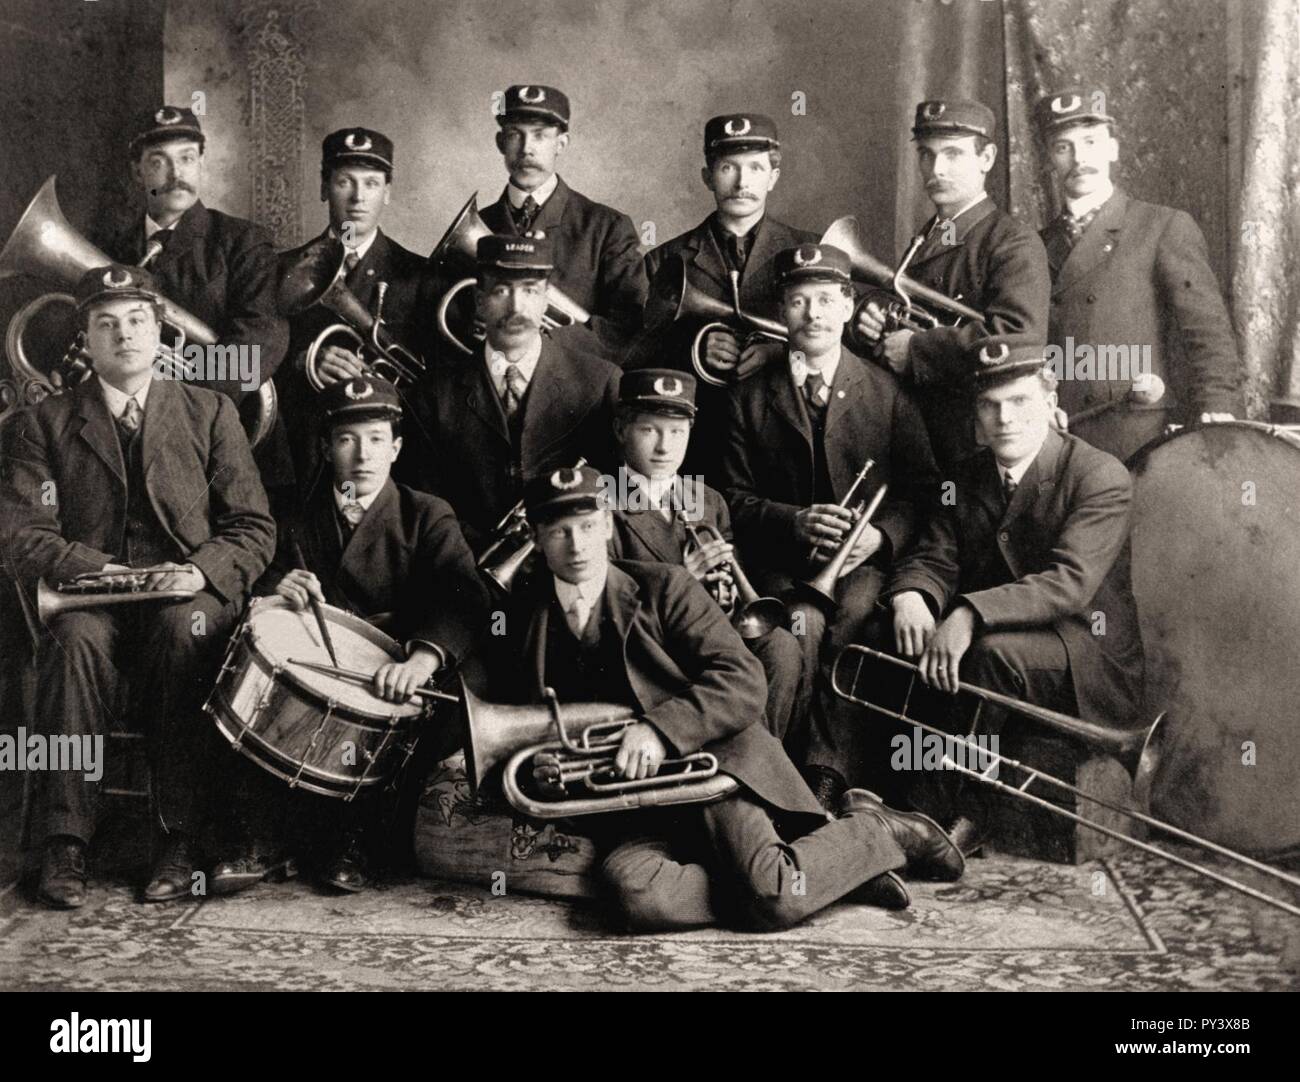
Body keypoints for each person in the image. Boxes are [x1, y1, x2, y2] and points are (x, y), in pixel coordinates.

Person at [500, 466, 964, 928]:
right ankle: (824, 869)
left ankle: (878, 830)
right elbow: (545, 725)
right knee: (637, 897)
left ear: (607, 525)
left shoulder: (664, 586)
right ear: (537, 539)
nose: (577, 545)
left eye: (586, 526)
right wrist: (549, 771)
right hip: (634, 807)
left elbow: (742, 679)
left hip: (716, 773)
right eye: (559, 531)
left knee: (775, 898)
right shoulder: (525, 615)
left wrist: (660, 731)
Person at [0, 265, 275, 907]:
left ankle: (177, 836)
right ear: (85, 342)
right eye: (106, 324)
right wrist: (95, 568)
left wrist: (200, 570)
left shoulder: (211, 411)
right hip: (89, 597)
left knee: (187, 632)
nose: (124, 335)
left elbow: (254, 526)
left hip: (183, 598)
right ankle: (65, 842)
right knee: (73, 642)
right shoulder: (42, 423)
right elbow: (20, 532)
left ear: (160, 332)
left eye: (137, 321)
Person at [209, 374, 490, 894]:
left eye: (377, 439)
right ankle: (259, 839)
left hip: (392, 671)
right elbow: (249, 572)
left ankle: (355, 838)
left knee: (445, 703)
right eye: (346, 439)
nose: (362, 454)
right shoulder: (290, 514)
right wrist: (274, 586)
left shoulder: (426, 514)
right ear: (324, 447)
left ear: (397, 447)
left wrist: (421, 660)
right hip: (316, 663)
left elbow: (464, 599)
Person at [883, 338, 1144, 852]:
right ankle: (883, 798)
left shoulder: (1098, 475)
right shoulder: (965, 476)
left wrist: (967, 613)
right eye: (990, 405)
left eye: (1020, 401)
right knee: (889, 635)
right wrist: (912, 595)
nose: (1004, 418)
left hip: (1083, 653)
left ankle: (935, 815)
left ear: (1050, 403)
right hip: (1013, 636)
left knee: (988, 657)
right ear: (977, 414)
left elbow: (1067, 584)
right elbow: (936, 553)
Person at [721, 243, 939, 807]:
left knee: (854, 623)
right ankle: (772, 773)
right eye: (798, 301)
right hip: (782, 565)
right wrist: (792, 521)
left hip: (862, 565)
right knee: (797, 629)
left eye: (825, 299)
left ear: (847, 307)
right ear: (782, 311)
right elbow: (730, 499)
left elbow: (923, 492)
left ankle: (827, 772)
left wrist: (881, 535)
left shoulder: (888, 392)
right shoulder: (747, 397)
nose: (812, 314)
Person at [1035, 87, 1243, 462]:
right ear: (1050, 158)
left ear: (1113, 148)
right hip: (1058, 430)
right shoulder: (1036, 244)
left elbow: (1206, 331)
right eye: (1064, 147)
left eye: (1091, 142)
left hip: (1134, 429)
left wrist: (1219, 405)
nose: (1080, 158)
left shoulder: (1160, 226)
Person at [103, 105, 292, 496]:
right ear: (138, 171)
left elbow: (259, 344)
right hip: (129, 453)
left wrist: (167, 395)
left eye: (187, 159)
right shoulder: (110, 248)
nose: (177, 175)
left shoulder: (242, 241)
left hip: (228, 446)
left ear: (202, 163)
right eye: (160, 162)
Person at [853, 99, 1050, 469]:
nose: (936, 169)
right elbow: (902, 305)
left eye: (953, 155)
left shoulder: (1012, 241)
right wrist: (871, 317)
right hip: (916, 428)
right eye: (927, 156)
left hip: (973, 435)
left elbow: (1018, 336)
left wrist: (917, 349)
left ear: (987, 158)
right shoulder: (928, 236)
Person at [607, 368, 803, 737]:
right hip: (651, 648)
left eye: (677, 432)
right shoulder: (603, 500)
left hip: (709, 633)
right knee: (729, 677)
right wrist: (685, 580)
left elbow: (731, 592)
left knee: (780, 647)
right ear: (621, 430)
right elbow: (611, 612)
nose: (665, 447)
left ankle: (761, 759)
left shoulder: (706, 498)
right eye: (650, 431)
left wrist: (727, 593)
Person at [398, 234, 620, 553]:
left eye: (529, 290)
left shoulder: (600, 383)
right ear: (479, 300)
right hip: (467, 571)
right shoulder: (430, 395)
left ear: (546, 299)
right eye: (501, 291)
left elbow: (619, 493)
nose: (516, 307)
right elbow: (425, 506)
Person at [631, 113, 816, 481]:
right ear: (707, 176)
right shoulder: (663, 260)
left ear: (774, 177)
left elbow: (842, 343)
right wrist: (693, 350)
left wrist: (784, 350)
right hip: (700, 440)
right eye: (728, 167)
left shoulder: (809, 250)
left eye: (756, 168)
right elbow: (634, 356)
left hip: (786, 434)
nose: (742, 182)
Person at [276, 127, 438, 485]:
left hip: (392, 467)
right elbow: (256, 364)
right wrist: (303, 361)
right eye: (344, 182)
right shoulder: (280, 269)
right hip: (303, 459)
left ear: (388, 193)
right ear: (323, 188)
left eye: (371, 183)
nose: (358, 198)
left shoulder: (420, 275)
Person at [462, 84, 646, 353]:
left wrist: (541, 334)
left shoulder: (607, 228)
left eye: (540, 136)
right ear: (501, 143)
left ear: (561, 144)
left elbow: (631, 328)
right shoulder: (479, 225)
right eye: (515, 135)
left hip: (573, 386)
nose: (527, 149)